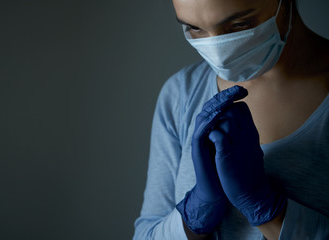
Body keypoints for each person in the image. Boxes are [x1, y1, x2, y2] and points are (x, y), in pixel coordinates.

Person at [133, 0, 329, 239]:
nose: (219, 53)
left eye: (240, 24)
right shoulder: (180, 93)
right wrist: (195, 213)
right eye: (195, 28)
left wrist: (267, 209)